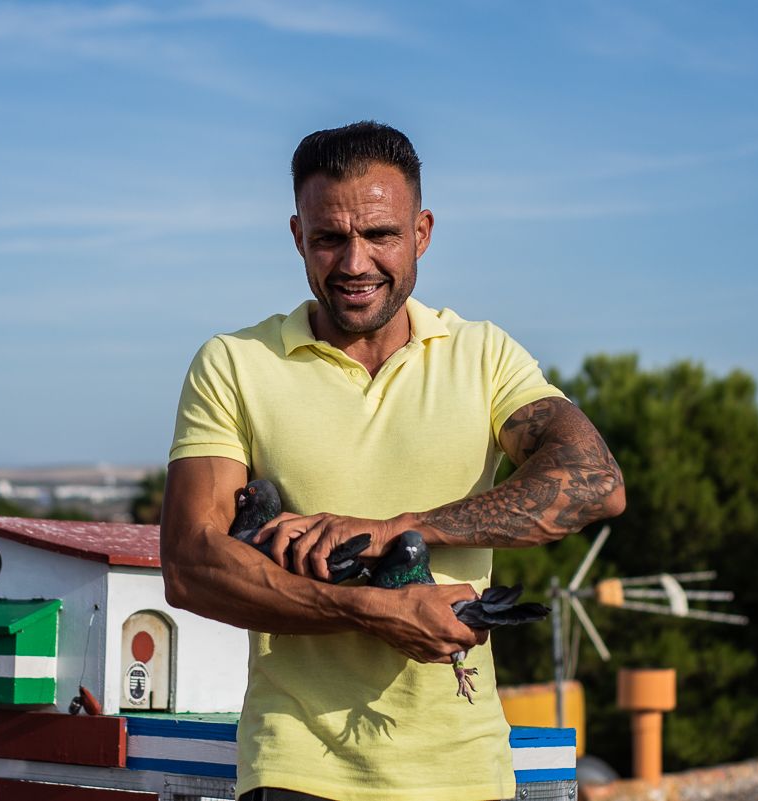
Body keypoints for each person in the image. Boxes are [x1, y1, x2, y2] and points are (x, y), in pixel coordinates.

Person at [161, 121, 625, 801]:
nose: (354, 263)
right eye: (329, 238)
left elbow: (596, 482)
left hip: (465, 771)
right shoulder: (235, 364)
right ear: (298, 237)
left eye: (379, 235)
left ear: (422, 232)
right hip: (298, 771)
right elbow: (192, 565)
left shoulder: (483, 354)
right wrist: (373, 610)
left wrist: (399, 527)